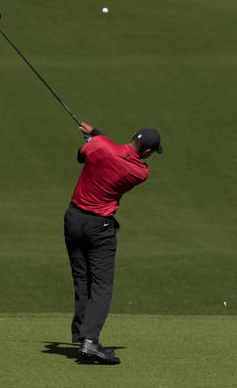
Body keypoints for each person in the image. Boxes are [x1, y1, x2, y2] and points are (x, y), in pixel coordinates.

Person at [64, 122, 163, 364]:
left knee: (82, 277)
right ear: (148, 152)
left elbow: (82, 156)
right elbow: (119, 155)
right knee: (102, 285)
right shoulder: (140, 172)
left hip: (73, 219)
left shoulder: (99, 146)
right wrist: (97, 136)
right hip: (99, 227)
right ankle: (90, 341)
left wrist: (95, 138)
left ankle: (81, 334)